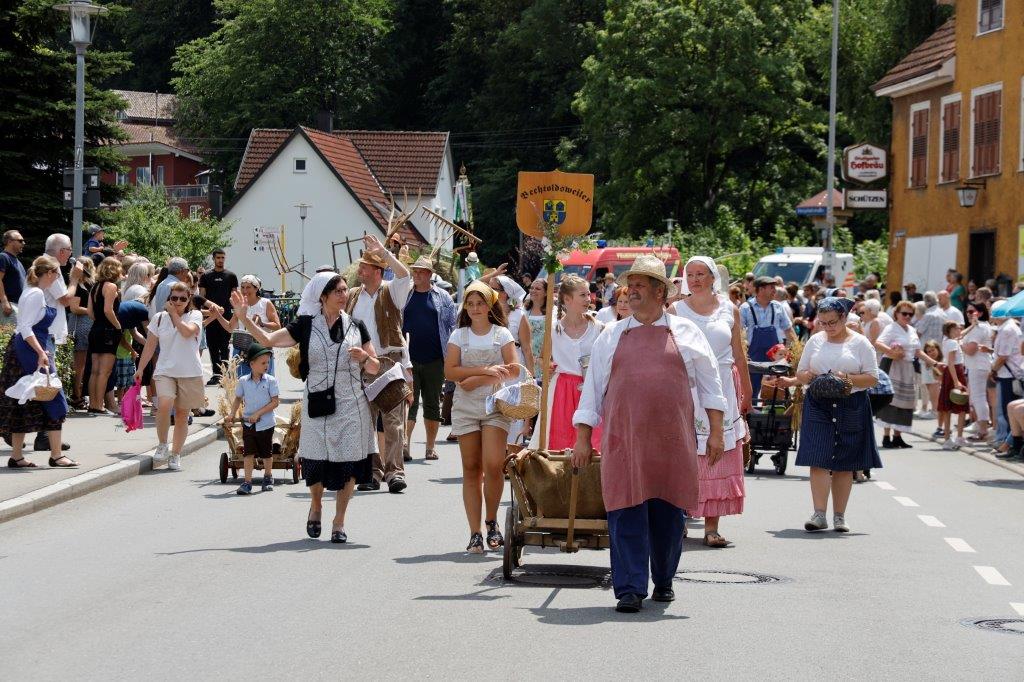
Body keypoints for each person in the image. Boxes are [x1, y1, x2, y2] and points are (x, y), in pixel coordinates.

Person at [571, 255, 727, 613]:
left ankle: (665, 578)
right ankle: (629, 588)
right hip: (623, 440)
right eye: (631, 285)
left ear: (660, 293)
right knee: (624, 509)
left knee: (668, 514)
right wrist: (582, 438)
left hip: (672, 440)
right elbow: (592, 390)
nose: (632, 291)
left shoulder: (686, 332)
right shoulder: (611, 335)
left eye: (641, 285)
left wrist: (716, 432)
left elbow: (711, 385)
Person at [233, 273, 380, 542]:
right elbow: (268, 340)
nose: (343, 295)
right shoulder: (306, 325)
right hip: (317, 402)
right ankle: (316, 505)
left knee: (349, 463)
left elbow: (374, 367)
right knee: (316, 460)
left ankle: (339, 521)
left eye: (345, 290)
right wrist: (244, 319)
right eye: (337, 291)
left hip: (351, 404)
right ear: (322, 297)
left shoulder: (356, 326)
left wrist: (364, 357)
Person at [768, 298, 880, 532]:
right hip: (818, 402)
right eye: (823, 322)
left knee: (844, 462)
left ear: (844, 318)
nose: (828, 327)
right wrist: (806, 376)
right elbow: (801, 372)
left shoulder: (860, 343)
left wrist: (846, 378)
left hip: (850, 402)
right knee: (818, 457)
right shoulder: (816, 341)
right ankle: (819, 514)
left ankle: (839, 516)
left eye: (832, 322)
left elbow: (872, 378)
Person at [672, 256, 750, 548]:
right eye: (690, 274)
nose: (694, 279)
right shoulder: (675, 310)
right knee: (685, 452)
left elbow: (738, 353)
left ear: (712, 277)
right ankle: (678, 520)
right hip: (688, 387)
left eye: (700, 274)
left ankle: (711, 527)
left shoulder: (730, 309)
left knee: (718, 451)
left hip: (723, 385)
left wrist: (747, 391)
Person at [444, 280, 517, 553]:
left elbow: (512, 369)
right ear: (465, 307)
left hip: (495, 404)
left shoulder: (502, 334)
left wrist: (477, 379)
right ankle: (475, 532)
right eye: (471, 304)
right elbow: (450, 371)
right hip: (465, 407)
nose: (475, 308)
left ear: (490, 306)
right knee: (471, 468)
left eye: (480, 303)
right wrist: (485, 372)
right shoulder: (458, 335)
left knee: (494, 464)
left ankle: (492, 521)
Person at [345, 234, 412, 494]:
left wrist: (384, 252)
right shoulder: (352, 296)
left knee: (393, 421)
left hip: (388, 362)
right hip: (360, 365)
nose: (359, 270)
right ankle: (372, 473)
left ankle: (395, 473)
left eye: (364, 267)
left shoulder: (392, 291)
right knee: (365, 422)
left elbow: (404, 274)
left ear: (377, 271)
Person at [1, 256, 77, 468]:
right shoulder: (36, 293)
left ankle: (17, 456)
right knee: (53, 397)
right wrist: (41, 352)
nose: (58, 278)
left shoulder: (32, 291)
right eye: (57, 274)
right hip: (30, 351)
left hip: (23, 349)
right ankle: (56, 455)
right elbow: (26, 327)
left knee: (23, 401)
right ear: (50, 273)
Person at [134, 281, 205, 471]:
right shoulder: (159, 318)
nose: (178, 302)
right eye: (174, 298)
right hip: (165, 370)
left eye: (183, 298)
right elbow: (150, 345)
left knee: (182, 415)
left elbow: (187, 332)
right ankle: (163, 444)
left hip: (189, 372)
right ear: (169, 298)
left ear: (189, 299)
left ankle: (176, 454)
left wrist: (174, 314)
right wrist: (141, 369)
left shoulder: (195, 315)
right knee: (164, 404)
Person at [534, 274, 604, 451]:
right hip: (562, 390)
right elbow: (542, 358)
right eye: (583, 295)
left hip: (591, 389)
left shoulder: (598, 327)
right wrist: (547, 366)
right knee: (561, 441)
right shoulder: (553, 329)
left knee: (594, 443)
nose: (588, 299)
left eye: (588, 294)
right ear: (567, 299)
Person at [402, 255, 457, 462]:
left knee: (432, 403)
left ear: (429, 274)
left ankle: (430, 447)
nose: (416, 275)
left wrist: (452, 355)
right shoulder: (405, 294)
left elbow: (453, 326)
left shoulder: (443, 297)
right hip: (408, 359)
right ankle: (405, 445)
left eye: (420, 271)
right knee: (409, 402)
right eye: (414, 271)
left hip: (435, 358)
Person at [874, 300, 943, 448]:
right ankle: (886, 437)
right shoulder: (891, 328)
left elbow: (917, 351)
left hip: (907, 367)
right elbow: (878, 343)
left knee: (905, 401)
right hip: (893, 366)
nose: (907, 316)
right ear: (897, 314)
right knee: (891, 401)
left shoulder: (911, 330)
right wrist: (892, 352)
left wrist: (934, 363)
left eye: (910, 314)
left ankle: (897, 436)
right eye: (904, 313)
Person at [225, 344, 281, 495]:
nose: (266, 366)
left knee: (266, 453)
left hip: (266, 424)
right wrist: (232, 414)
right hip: (249, 424)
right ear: (252, 364)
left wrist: (258, 413)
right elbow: (238, 398)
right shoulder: (243, 381)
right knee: (248, 453)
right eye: (263, 363)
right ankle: (247, 482)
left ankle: (268, 477)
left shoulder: (271, 381)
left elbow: (275, 402)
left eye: (268, 362)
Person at [740, 276, 795, 394]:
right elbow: (738, 332)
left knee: (776, 389)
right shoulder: (746, 308)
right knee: (753, 387)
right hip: (753, 356)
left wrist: (797, 350)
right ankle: (752, 404)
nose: (775, 290)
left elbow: (788, 329)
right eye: (772, 287)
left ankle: (773, 404)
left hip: (775, 356)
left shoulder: (778, 306)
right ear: (761, 289)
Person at [86, 257, 123, 415]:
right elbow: (108, 310)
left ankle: (93, 404)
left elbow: (90, 312)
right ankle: (99, 405)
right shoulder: (111, 286)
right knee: (105, 371)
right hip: (109, 330)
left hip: (96, 329)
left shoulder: (94, 287)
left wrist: (99, 321)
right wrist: (117, 326)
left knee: (95, 370)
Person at [198, 248, 238, 385]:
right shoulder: (206, 276)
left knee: (224, 346)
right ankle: (216, 375)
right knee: (213, 346)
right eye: (218, 258)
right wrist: (202, 313)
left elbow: (234, 296)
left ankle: (225, 375)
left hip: (226, 317)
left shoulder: (231, 276)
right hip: (210, 317)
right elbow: (202, 296)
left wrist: (236, 313)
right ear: (213, 259)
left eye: (222, 258)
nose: (221, 260)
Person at [990, 310, 1023, 456]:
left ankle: (1011, 445)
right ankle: (1012, 444)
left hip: (1009, 376)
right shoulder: (1008, 328)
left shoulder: (1008, 329)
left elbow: (1003, 356)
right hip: (1011, 374)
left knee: (1008, 410)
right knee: (1009, 408)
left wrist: (993, 370)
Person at [961, 302, 994, 442]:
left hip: (978, 366)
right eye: (967, 311)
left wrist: (960, 345)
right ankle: (983, 429)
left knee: (978, 398)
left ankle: (983, 431)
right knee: (978, 398)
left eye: (971, 311)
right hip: (979, 365)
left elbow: (971, 350)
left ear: (980, 313)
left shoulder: (979, 328)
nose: (968, 314)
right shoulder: (981, 326)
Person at [67, 258, 95, 409]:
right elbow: (74, 308)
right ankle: (76, 396)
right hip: (79, 326)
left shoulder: (88, 284)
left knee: (82, 364)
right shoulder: (76, 286)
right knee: (79, 365)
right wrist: (92, 311)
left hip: (86, 325)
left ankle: (79, 393)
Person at [914, 292, 946, 419]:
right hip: (939, 352)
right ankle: (936, 410)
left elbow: (917, 333)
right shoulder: (943, 313)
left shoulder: (928, 315)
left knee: (931, 384)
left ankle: (934, 411)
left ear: (926, 302)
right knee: (934, 384)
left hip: (927, 353)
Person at [937, 321, 968, 449]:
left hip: (950, 373)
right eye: (957, 328)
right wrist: (956, 381)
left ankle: (948, 438)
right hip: (955, 372)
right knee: (961, 404)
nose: (959, 330)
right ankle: (958, 437)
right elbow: (951, 362)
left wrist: (973, 325)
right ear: (950, 330)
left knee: (948, 407)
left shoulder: (947, 341)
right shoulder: (953, 343)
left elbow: (962, 334)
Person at [0, 229, 26, 326]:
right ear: (9, 241)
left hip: (19, 306)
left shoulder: (17, 261)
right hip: (10, 306)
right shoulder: (3, 257)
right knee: (10, 335)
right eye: (20, 241)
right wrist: (4, 301)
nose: (23, 243)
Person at [523, 278, 548, 369]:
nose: (533, 291)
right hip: (525, 357)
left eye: (538, 289)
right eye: (532, 288)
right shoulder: (524, 310)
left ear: (546, 293)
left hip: (543, 360)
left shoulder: (552, 312)